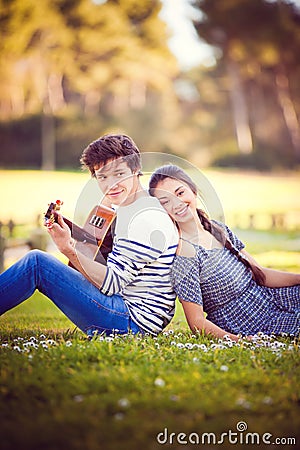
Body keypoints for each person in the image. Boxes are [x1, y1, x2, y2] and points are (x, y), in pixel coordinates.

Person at [0, 134, 178, 336]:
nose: (110, 184)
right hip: (132, 312)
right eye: (102, 177)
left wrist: (68, 249)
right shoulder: (135, 205)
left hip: (131, 322)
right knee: (39, 263)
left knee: (37, 264)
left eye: (119, 174)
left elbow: (111, 283)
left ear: (136, 170)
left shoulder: (143, 219)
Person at [149, 164, 300, 341]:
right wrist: (243, 341)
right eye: (166, 202)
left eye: (180, 193)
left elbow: (261, 275)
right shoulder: (185, 257)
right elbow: (196, 322)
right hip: (250, 321)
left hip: (270, 300)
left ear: (193, 191)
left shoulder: (217, 228)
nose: (177, 203)